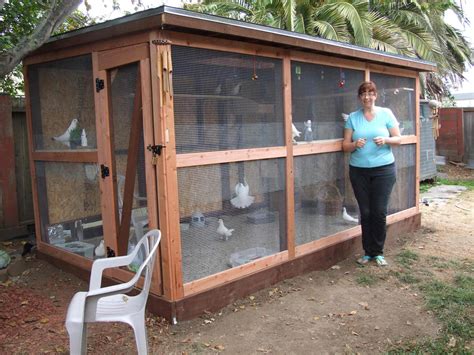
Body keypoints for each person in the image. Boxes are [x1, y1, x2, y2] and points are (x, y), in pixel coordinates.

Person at [342, 81, 401, 266]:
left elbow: (398, 139)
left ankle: (378, 252)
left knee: (379, 211)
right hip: (358, 171)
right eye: (363, 93)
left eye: (370, 93)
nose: (367, 97)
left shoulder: (386, 114)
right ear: (360, 97)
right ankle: (368, 252)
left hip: (384, 170)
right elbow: (344, 146)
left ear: (375, 95)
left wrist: (386, 140)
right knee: (365, 212)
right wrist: (354, 145)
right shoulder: (353, 117)